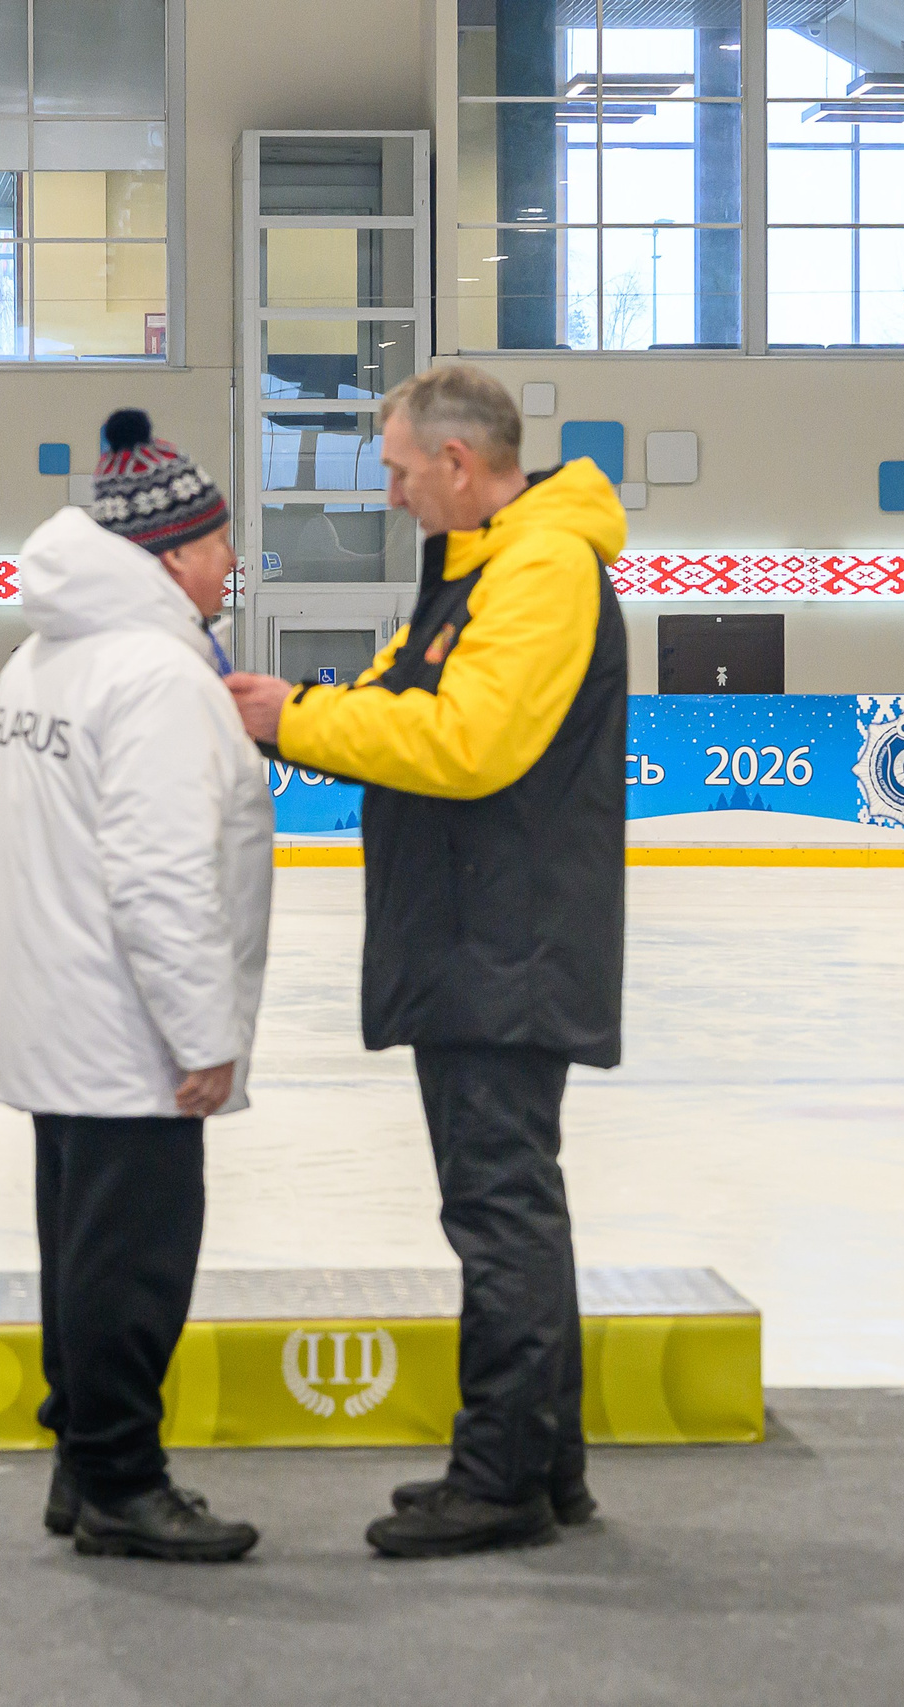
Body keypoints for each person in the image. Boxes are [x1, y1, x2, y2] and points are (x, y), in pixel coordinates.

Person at [225, 365, 624, 1560]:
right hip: (477, 937)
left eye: (398, 470)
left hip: (504, 942)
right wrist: (305, 709)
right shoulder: (478, 571)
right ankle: (539, 1467)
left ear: (457, 463)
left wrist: (289, 718)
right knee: (507, 1204)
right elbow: (399, 696)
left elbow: (464, 742)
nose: (391, 492)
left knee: (499, 1209)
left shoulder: (541, 570)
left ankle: (500, 1477)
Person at [0, 408, 272, 1565]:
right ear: (167, 557)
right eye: (216, 545)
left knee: (80, 1257)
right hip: (126, 1029)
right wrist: (203, 1032)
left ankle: (77, 1465)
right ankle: (120, 1483)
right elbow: (159, 874)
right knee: (134, 1269)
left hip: (62, 1018)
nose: (229, 563)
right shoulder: (154, 672)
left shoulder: (42, 652)